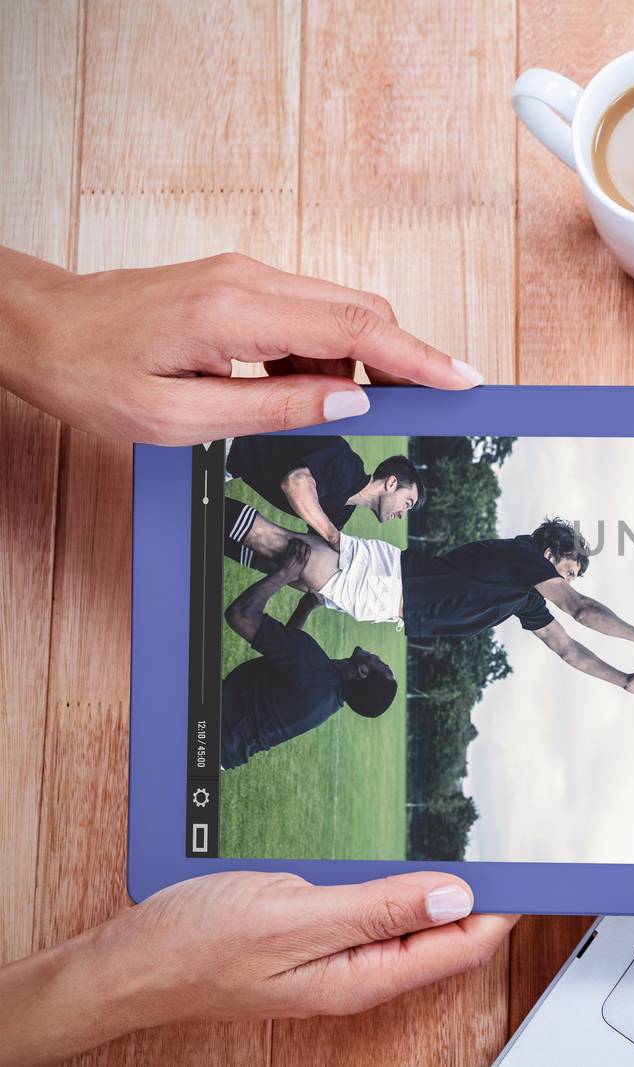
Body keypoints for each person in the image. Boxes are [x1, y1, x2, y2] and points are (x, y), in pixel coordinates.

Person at [0, 247, 511, 1065]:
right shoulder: (345, 474)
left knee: (283, 554)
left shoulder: (328, 635)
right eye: (408, 495)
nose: (406, 506)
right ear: (389, 478)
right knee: (281, 549)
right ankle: (226, 531)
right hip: (219, 462)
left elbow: (305, 566)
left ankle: (229, 533)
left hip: (245, 568)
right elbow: (305, 490)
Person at [224, 499, 634, 706]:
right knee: (270, 538)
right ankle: (194, 497)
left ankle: (191, 523)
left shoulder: (521, 598)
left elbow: (568, 649)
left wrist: (623, 679)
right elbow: (582, 611)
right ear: (551, 555)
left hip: (382, 597)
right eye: (566, 572)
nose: (564, 583)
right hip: (380, 579)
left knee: (267, 554)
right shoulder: (523, 558)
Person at [221, 540, 397, 769]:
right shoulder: (330, 698)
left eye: (381, 664)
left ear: (362, 672)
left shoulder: (315, 668)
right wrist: (307, 605)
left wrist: (284, 573)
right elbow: (289, 660)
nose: (377, 657)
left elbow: (240, 615)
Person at [226, 433, 424, 548]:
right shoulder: (347, 467)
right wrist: (332, 536)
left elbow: (312, 547)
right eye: (407, 503)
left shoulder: (342, 511)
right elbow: (295, 483)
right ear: (391, 483)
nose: (401, 515)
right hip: (228, 439)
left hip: (231, 466)